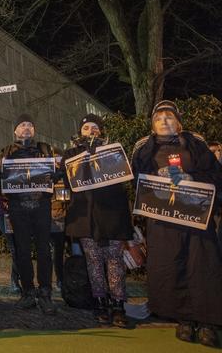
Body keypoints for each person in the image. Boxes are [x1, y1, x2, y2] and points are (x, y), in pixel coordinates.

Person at [132, 100, 222, 347]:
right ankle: (183, 319)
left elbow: (215, 175)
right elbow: (137, 183)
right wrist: (154, 179)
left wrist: (191, 177)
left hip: (196, 219)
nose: (164, 121)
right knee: (170, 268)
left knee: (202, 267)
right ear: (152, 125)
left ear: (178, 122)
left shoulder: (196, 144)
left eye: (169, 117)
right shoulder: (143, 150)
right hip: (164, 221)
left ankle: (207, 322)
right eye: (158, 118)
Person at [62, 114, 132, 327]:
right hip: (85, 216)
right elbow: (68, 180)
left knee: (114, 260)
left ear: (100, 131)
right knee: (93, 260)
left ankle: (118, 304)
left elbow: (124, 176)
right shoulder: (71, 154)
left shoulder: (113, 150)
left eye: (94, 127)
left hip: (112, 214)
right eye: (86, 128)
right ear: (80, 132)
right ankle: (100, 302)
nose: (90, 131)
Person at [0, 114, 56, 315]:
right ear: (15, 130)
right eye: (22, 124)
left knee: (43, 250)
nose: (26, 128)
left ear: (34, 130)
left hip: (41, 205)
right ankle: (27, 292)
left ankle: (45, 292)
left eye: (29, 125)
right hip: (18, 207)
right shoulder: (6, 151)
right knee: (22, 251)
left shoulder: (45, 148)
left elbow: (56, 170)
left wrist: (55, 173)